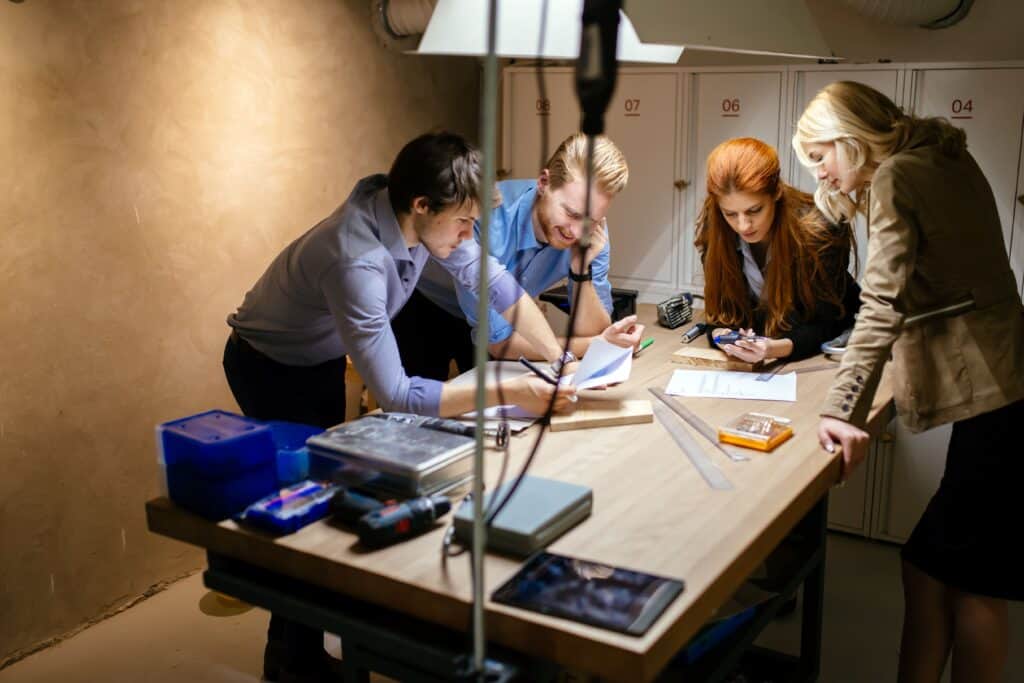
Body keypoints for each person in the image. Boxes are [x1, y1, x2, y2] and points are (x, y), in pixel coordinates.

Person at [223, 131, 575, 682]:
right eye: (463, 223)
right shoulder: (356, 260)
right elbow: (397, 394)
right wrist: (511, 390)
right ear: (421, 206)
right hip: (269, 364)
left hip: (316, 354)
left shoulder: (425, 221)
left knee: (326, 499)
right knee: (303, 510)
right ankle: (291, 663)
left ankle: (311, 653)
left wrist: (555, 359)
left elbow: (499, 285)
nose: (468, 236)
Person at [793, 81, 1024, 683]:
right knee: (937, 567)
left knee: (967, 578)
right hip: (1010, 375)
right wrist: (842, 195)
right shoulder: (944, 155)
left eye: (821, 156)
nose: (820, 171)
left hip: (998, 392)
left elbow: (881, 303)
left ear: (850, 137)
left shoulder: (896, 175)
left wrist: (842, 409)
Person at [394, 132, 641, 381]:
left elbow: (596, 332)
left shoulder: (591, 233)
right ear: (544, 183)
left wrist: (580, 271)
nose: (577, 232)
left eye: (591, 220)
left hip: (501, 315)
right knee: (416, 409)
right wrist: (594, 345)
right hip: (426, 305)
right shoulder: (482, 218)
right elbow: (499, 344)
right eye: (571, 213)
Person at [695, 137, 860, 363]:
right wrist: (721, 335)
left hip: (822, 355)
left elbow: (828, 324)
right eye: (731, 214)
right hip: (760, 358)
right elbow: (720, 314)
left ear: (776, 193)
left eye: (754, 210)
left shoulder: (820, 231)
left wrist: (774, 349)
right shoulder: (715, 226)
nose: (743, 225)